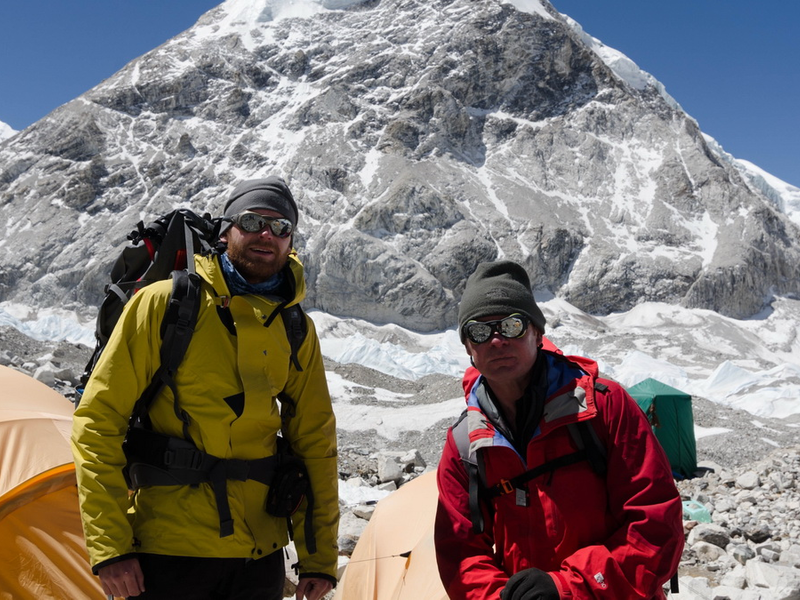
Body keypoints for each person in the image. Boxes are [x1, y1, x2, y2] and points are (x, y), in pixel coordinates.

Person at [72, 176, 339, 600]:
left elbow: (315, 443)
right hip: (167, 552)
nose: (266, 234)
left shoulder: (295, 327)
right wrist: (110, 548)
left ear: (291, 242)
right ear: (226, 231)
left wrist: (320, 557)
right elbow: (97, 422)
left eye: (281, 226)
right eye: (251, 221)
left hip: (260, 557)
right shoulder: (165, 303)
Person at [434, 260, 684, 600]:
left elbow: (656, 525)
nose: (497, 340)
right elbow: (460, 555)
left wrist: (568, 588)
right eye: (480, 331)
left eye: (512, 325)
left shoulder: (604, 408)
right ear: (468, 348)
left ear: (537, 333)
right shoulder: (465, 445)